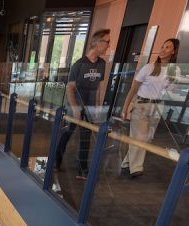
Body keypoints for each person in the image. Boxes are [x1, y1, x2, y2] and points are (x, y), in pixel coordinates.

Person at [120, 38, 181, 179]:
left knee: (147, 139)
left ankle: (126, 163)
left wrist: (174, 82)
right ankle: (136, 168)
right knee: (139, 137)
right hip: (141, 104)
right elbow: (133, 89)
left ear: (174, 51)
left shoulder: (175, 70)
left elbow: (172, 90)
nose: (163, 49)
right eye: (162, 46)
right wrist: (125, 108)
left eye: (167, 47)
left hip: (157, 106)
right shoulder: (149, 67)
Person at [55, 29, 110, 180]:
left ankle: (82, 169)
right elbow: (70, 88)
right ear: (97, 43)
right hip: (75, 105)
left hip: (89, 106)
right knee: (67, 133)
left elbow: (98, 87)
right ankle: (56, 162)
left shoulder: (102, 64)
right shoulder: (79, 64)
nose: (108, 45)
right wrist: (75, 109)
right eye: (106, 42)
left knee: (86, 137)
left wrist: (97, 106)